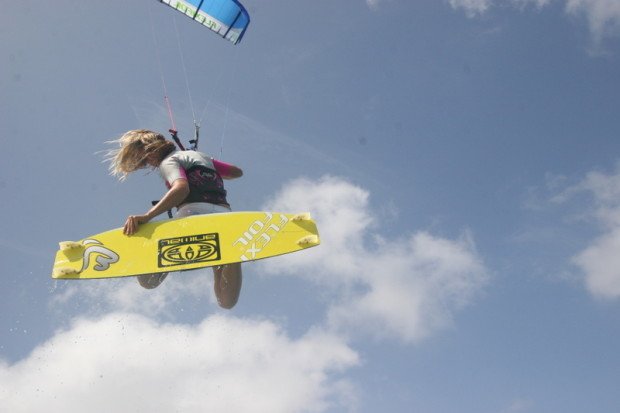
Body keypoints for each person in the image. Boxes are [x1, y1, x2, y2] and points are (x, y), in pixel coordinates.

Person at [105, 129, 243, 309]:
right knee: (226, 301)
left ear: (151, 150)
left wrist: (147, 216)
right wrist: (202, 165)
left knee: (148, 282)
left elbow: (181, 189)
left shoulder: (168, 162)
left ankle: (141, 252)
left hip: (193, 219)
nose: (149, 164)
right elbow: (236, 172)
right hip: (224, 220)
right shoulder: (200, 157)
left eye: (146, 159)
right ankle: (234, 254)